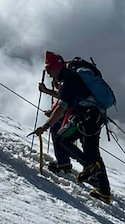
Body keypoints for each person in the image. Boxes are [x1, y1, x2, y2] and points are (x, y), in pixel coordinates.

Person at [32, 51, 112, 203]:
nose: (50, 75)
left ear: (55, 68)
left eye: (50, 71)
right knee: (93, 153)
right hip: (95, 116)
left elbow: (62, 105)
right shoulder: (71, 78)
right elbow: (65, 98)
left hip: (86, 117)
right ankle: (105, 193)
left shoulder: (69, 79)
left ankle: (89, 167)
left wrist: (46, 125)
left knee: (62, 139)